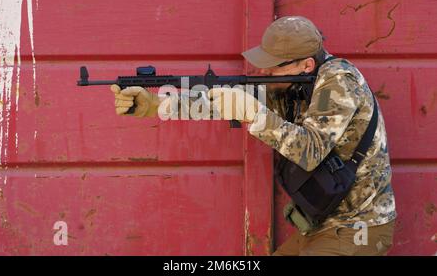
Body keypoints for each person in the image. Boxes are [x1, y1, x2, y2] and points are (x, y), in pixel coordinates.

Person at [110, 16, 396, 256]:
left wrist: (256, 115)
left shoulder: (339, 82)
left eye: (273, 65)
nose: (263, 71)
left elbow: (311, 151)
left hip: (360, 227)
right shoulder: (292, 84)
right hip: (321, 226)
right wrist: (157, 104)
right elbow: (223, 103)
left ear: (306, 65)